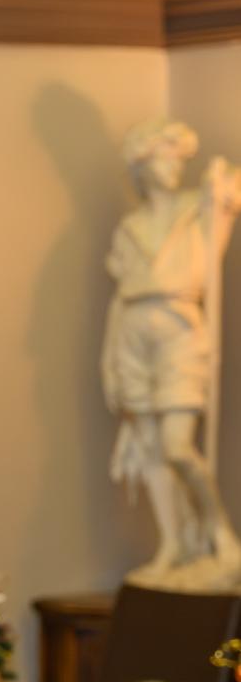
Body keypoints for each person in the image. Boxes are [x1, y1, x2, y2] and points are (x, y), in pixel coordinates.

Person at [102, 117, 241, 590]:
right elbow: (120, 299)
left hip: (180, 330)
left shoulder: (199, 206)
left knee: (178, 447)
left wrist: (221, 182)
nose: (175, 166)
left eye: (179, 158)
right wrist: (109, 361)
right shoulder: (131, 228)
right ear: (142, 166)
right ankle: (172, 545)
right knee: (149, 448)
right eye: (165, 157)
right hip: (133, 334)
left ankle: (221, 536)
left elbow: (230, 194)